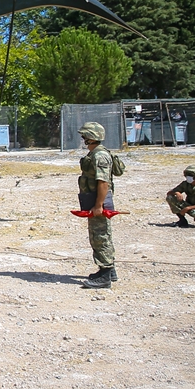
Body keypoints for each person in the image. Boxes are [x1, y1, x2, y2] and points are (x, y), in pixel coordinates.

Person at [76, 121, 117, 288]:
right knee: (101, 234)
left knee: (100, 236)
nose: (83, 138)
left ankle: (105, 275)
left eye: (85, 135)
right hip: (94, 199)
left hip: (98, 201)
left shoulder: (100, 156)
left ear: (91, 137)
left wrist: (98, 205)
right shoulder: (96, 154)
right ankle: (108, 270)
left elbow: (103, 182)